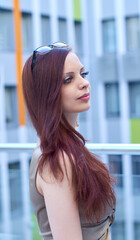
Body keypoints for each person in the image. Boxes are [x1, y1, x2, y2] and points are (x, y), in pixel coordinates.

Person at [22, 42, 116, 240]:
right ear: (47, 94)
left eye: (83, 74)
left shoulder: (67, 146)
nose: (84, 83)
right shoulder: (58, 159)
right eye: (68, 80)